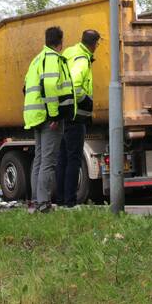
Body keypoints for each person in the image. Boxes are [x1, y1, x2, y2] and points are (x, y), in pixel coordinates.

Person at [23, 26, 70, 213]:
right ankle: (43, 204)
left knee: (39, 159)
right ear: (60, 42)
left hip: (35, 115)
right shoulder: (52, 58)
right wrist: (54, 114)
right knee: (48, 161)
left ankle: (36, 201)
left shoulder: (36, 59)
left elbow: (25, 87)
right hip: (47, 116)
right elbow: (50, 86)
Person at [56, 29, 100, 207]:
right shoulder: (82, 59)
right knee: (74, 159)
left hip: (63, 115)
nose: (97, 46)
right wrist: (86, 101)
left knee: (63, 159)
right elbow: (74, 86)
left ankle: (60, 200)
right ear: (93, 44)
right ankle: (70, 202)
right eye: (97, 43)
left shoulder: (69, 52)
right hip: (75, 117)